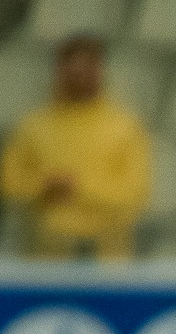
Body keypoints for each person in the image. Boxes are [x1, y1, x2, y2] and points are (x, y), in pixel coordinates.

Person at [2, 36, 150, 262]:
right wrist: (43, 185)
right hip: (46, 256)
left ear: (99, 71)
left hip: (107, 258)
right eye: (71, 69)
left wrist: (77, 187)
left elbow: (135, 192)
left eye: (86, 69)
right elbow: (9, 182)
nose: (78, 77)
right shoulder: (34, 125)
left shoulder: (125, 126)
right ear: (59, 72)